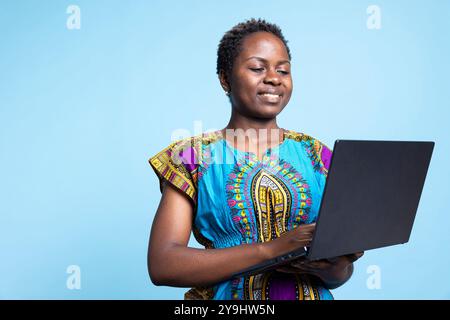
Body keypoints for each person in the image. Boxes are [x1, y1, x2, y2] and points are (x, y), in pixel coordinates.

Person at [147, 18, 363, 300]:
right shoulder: (191, 158)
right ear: (225, 78)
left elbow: (340, 277)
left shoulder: (317, 155)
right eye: (257, 68)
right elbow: (163, 265)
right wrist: (271, 249)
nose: (274, 78)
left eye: (283, 70)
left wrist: (331, 266)